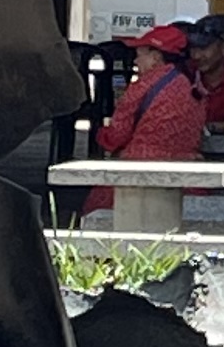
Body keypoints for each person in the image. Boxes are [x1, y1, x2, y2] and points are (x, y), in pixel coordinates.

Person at [83, 21, 206, 213]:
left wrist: (100, 134)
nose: (135, 61)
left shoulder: (142, 87)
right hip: (187, 177)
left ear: (156, 57)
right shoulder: (193, 85)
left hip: (137, 168)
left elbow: (116, 137)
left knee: (95, 212)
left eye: (140, 55)